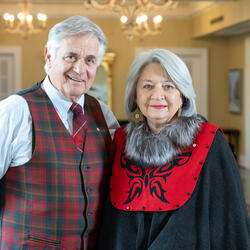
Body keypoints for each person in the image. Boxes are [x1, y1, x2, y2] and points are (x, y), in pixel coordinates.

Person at [97, 49, 250, 249]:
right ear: (135, 94)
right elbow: (111, 223)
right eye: (147, 86)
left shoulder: (210, 140)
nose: (157, 95)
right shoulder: (120, 140)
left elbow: (230, 221)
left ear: (183, 95)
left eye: (168, 86)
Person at [0, 16, 119, 249]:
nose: (80, 69)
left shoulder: (103, 115)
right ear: (49, 56)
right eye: (71, 57)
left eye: (90, 60)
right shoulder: (16, 111)